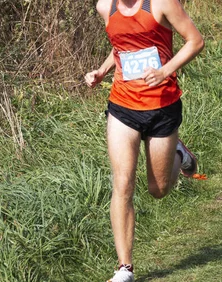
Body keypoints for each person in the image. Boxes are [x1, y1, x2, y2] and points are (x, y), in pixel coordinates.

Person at [84, 0, 204, 281]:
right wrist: (102, 71)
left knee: (158, 189)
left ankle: (179, 154)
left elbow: (195, 41)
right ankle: (125, 268)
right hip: (123, 106)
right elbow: (122, 48)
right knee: (122, 182)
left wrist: (165, 70)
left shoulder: (161, 3)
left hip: (162, 106)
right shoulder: (105, 7)